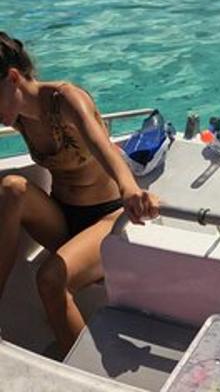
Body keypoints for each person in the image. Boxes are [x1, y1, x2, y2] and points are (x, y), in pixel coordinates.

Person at [0, 33, 159, 354]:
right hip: (62, 218)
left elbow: (104, 147)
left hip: (107, 218)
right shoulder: (16, 115)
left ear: (13, 78)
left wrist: (130, 189)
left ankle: (81, 375)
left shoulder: (66, 100)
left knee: (50, 280)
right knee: (10, 188)